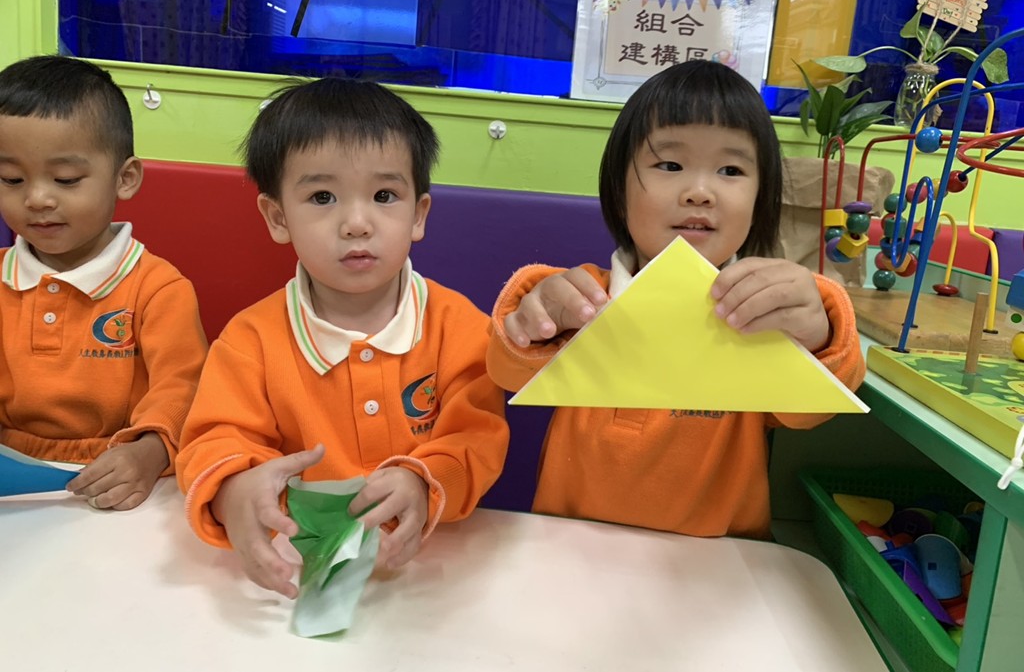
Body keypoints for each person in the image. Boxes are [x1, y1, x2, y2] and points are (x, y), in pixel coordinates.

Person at [487, 60, 866, 539]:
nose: (700, 192)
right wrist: (532, 318)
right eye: (670, 165)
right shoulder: (582, 300)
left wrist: (821, 330)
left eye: (731, 170)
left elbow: (810, 410)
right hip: (571, 550)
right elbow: (506, 369)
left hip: (720, 561)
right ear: (619, 190)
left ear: (760, 201)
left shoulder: (764, 313)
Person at [176, 77, 509, 598]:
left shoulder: (461, 327)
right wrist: (233, 491)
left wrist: (424, 480)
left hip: (430, 570)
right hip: (294, 567)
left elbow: (476, 439)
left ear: (418, 214)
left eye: (384, 196)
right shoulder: (250, 339)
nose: (356, 223)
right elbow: (216, 440)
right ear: (278, 218)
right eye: (322, 197)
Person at [0, 55, 208, 510]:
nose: (37, 198)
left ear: (124, 178)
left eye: (66, 179)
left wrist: (151, 451)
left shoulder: (158, 287)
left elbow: (183, 387)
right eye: (11, 179)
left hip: (123, 473)